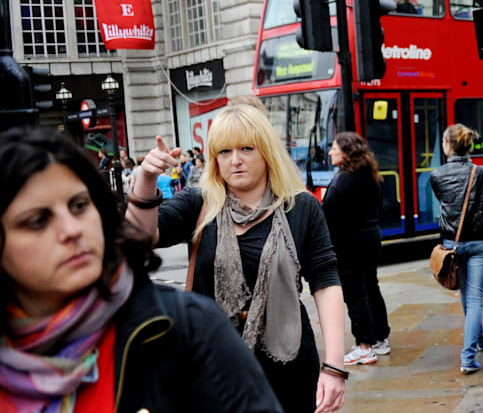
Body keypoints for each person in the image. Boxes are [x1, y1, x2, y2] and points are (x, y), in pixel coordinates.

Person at [0, 128, 285, 413]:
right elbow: (148, 234)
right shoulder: (198, 200)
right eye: (38, 221)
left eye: (79, 205)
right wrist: (147, 179)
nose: (72, 230)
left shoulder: (188, 328)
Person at [125, 106, 348, 413]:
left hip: (289, 365)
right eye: (224, 151)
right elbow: (139, 238)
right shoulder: (199, 202)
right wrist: (146, 179)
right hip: (211, 363)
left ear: (266, 151)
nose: (235, 160)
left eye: (246, 148)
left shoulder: (300, 207)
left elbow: (326, 282)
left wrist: (334, 366)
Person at [428, 124, 483, 375]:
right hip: (478, 242)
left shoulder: (437, 176)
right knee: (474, 297)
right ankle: (469, 355)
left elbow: (446, 204)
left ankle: (476, 342)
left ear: (448, 146)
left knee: (467, 299)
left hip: (452, 245)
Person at [322, 132, 391, 366]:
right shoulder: (371, 175)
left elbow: (327, 213)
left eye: (334, 148)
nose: (330, 152)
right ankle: (380, 338)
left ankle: (364, 346)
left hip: (348, 244)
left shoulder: (342, 180)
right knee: (371, 287)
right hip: (371, 239)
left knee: (354, 294)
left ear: (346, 152)